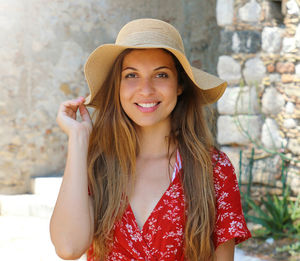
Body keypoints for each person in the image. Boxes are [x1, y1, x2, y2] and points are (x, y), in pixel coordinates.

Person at [50, 18, 251, 261]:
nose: (145, 89)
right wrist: (79, 139)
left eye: (161, 75)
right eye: (132, 75)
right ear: (118, 86)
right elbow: (68, 248)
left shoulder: (214, 169)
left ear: (179, 85)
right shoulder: (97, 166)